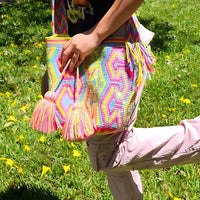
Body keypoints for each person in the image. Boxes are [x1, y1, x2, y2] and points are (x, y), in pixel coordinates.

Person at [54, 0, 200, 199]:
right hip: (82, 45)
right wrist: (57, 53)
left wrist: (95, 35)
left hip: (113, 42)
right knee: (110, 149)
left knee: (107, 151)